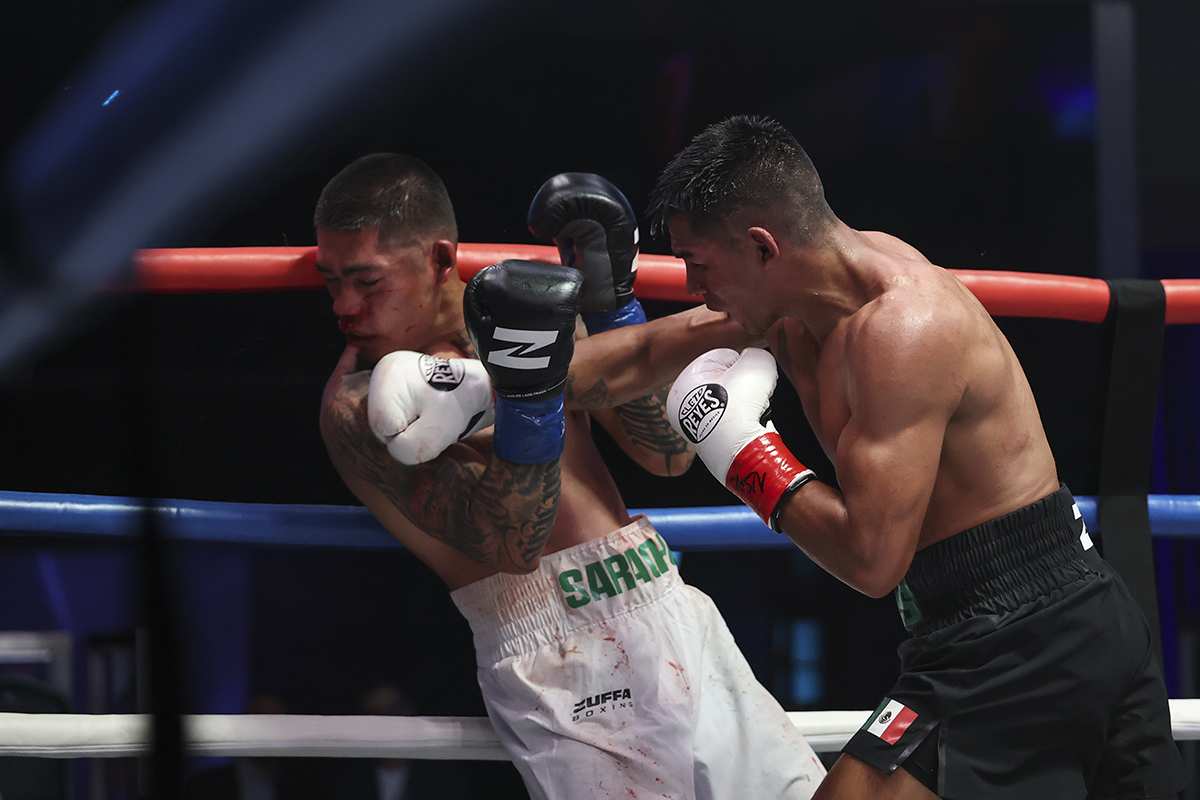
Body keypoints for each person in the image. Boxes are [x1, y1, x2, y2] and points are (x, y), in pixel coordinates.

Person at [648, 114, 1186, 800]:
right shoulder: (794, 303)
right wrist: (534, 347)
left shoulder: (902, 328)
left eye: (698, 265)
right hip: (1020, 621)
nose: (693, 287)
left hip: (1021, 632)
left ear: (762, 247)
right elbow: (633, 361)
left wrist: (747, 457)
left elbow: (874, 560)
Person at [313, 154, 826, 800]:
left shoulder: (517, 312)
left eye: (365, 280)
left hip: (662, 595)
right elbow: (511, 542)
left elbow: (666, 452)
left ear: (441, 259)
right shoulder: (357, 405)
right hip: (556, 652)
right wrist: (526, 403)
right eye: (330, 280)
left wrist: (612, 305)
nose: (343, 304)